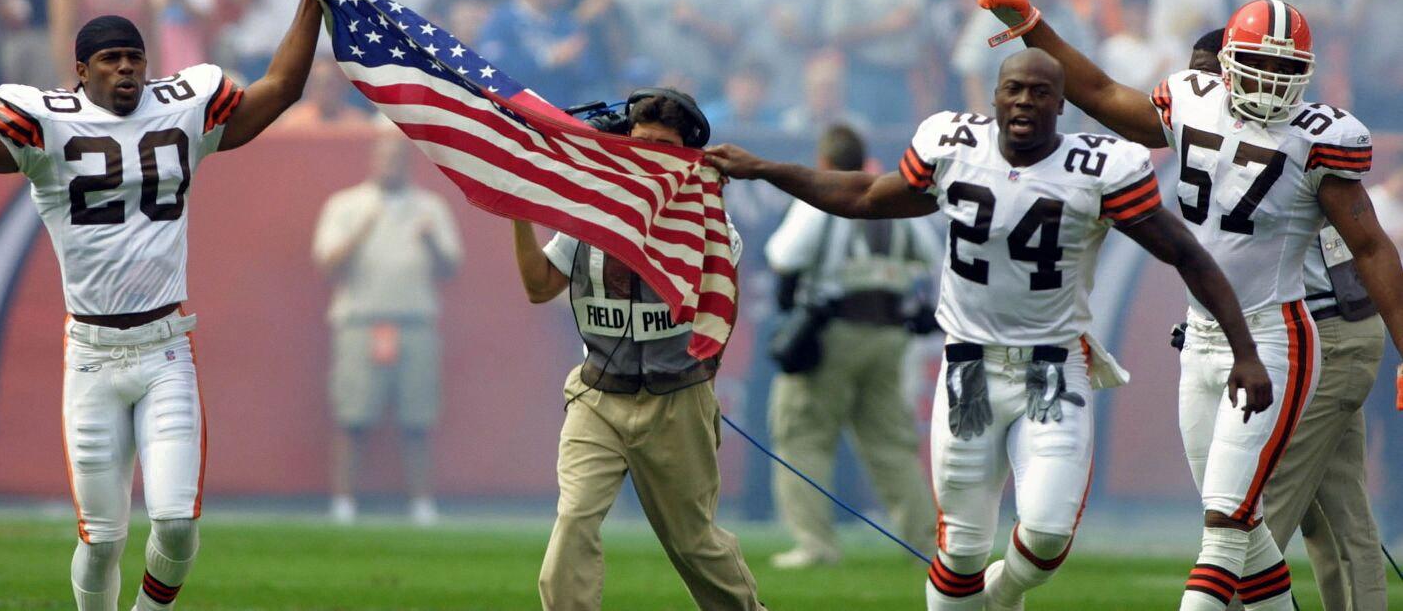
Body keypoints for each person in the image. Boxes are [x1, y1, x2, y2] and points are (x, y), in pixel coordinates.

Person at [707, 49, 1271, 611]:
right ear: (996, 96)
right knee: (960, 552)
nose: (1025, 100)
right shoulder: (954, 147)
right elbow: (863, 197)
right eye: (1014, 89)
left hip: (1053, 370)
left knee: (1048, 535)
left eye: (1041, 91)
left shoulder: (1101, 169)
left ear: (1060, 103)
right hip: (969, 369)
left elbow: (1187, 255)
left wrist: (1245, 349)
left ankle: (1002, 597)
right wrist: (765, 168)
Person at [0, 0, 335, 611]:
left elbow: (280, 88)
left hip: (166, 344)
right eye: (110, 60)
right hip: (91, 353)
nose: (126, 70)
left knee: (175, 521)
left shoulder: (182, 102)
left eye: (134, 57)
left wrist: (312, 0)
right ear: (80, 70)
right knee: (103, 538)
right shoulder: (47, 122)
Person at [978, 0, 1403, 610]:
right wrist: (1033, 27)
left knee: (1225, 527)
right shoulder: (1192, 102)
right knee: (1244, 527)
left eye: (1286, 72)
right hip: (1204, 340)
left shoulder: (1319, 140)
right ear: (1227, 64)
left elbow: (1372, 246)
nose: (1272, 84)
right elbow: (1094, 88)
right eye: (1260, 65)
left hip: (1278, 337)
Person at [509, 89, 764, 611]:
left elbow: (719, 297)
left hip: (677, 399)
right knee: (574, 518)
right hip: (598, 393)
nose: (647, 154)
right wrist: (519, 208)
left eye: (663, 146)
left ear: (686, 155)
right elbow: (539, 286)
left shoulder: (707, 222)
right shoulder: (590, 208)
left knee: (695, 544)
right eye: (640, 142)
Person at [1184, 33, 1391, 611]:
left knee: (1259, 504)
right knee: (1336, 517)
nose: (1206, 90)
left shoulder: (1298, 144)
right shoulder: (1220, 137)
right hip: (1317, 331)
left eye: (1212, 74)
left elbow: (1363, 247)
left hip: (1326, 333)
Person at [763, 123, 937, 569]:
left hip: (832, 333)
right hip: (890, 335)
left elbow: (783, 254)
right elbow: (931, 260)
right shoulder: (893, 201)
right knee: (891, 444)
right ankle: (925, 546)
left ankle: (814, 545)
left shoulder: (821, 200)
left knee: (802, 435)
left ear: (824, 164)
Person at [313, 128, 462, 526]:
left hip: (415, 322)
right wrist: (362, 231)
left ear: (409, 164)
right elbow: (327, 266)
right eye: (384, 158)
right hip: (359, 321)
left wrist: (430, 241)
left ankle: (421, 504)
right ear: (372, 162)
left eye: (398, 159)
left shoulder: (430, 207)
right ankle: (343, 503)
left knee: (418, 418)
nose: (390, 166)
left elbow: (451, 269)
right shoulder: (346, 205)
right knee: (352, 417)